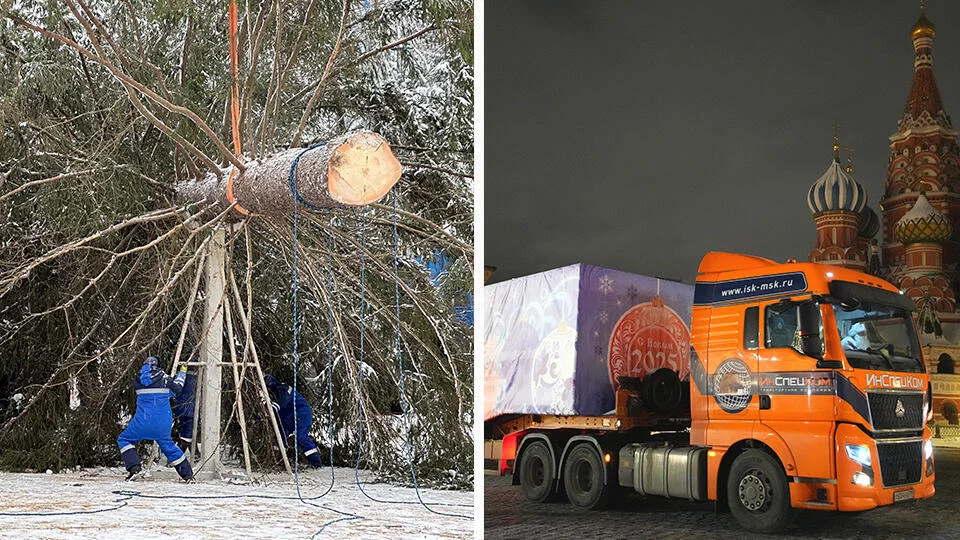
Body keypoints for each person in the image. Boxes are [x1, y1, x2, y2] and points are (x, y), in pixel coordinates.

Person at [117, 356, 195, 481]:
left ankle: (134, 468)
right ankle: (188, 475)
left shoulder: (138, 380)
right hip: (162, 424)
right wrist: (182, 371)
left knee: (124, 439)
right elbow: (178, 388)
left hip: (141, 422)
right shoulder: (164, 379)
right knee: (170, 449)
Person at [263, 374, 322, 468]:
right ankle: (279, 460)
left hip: (301, 413)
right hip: (287, 418)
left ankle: (316, 463)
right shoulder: (273, 396)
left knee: (301, 436)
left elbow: (282, 401)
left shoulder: (284, 388)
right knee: (279, 436)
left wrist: (272, 408)